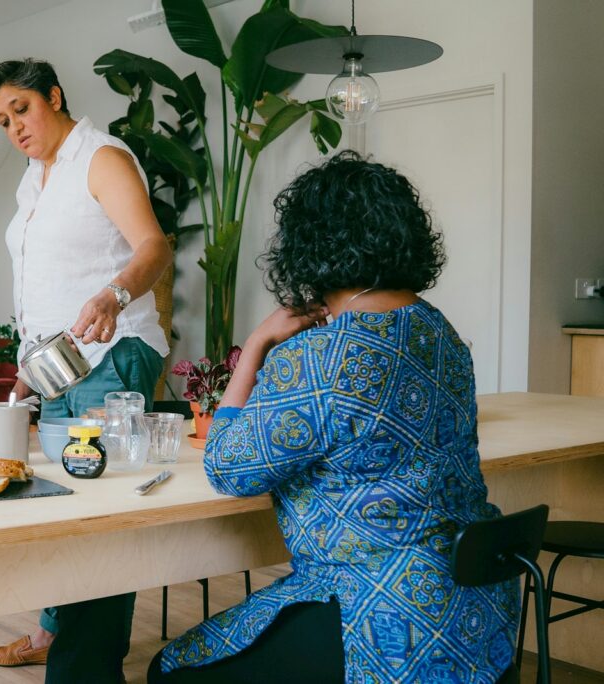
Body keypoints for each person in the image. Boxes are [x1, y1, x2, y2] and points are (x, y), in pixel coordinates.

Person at [149, 151, 518, 683]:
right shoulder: (440, 330)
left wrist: (256, 344)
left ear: (311, 245)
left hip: (377, 622)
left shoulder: (320, 357)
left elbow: (228, 468)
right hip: (477, 614)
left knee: (168, 669)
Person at [0, 59, 171, 683]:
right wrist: (27, 378)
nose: (15, 127)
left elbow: (154, 247)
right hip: (59, 365)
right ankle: (54, 638)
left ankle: (86, 670)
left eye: (22, 110)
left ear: (53, 96)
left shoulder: (101, 157)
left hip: (113, 352)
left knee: (99, 512)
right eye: (3, 121)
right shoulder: (34, 181)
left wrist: (113, 295)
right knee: (65, 503)